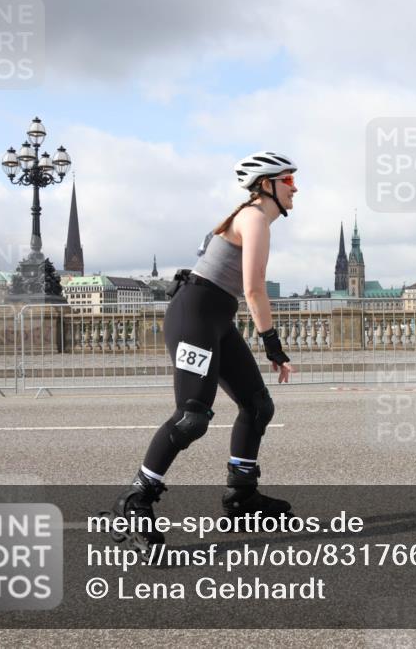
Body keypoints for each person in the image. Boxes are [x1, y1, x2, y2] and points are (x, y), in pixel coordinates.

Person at [109, 151, 298, 552]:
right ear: (267, 185)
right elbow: (254, 290)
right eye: (288, 180)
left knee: (258, 406)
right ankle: (135, 500)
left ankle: (242, 497)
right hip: (195, 315)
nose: (295, 188)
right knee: (192, 417)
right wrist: (273, 344)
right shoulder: (254, 218)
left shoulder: (251, 217)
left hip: (215, 317)